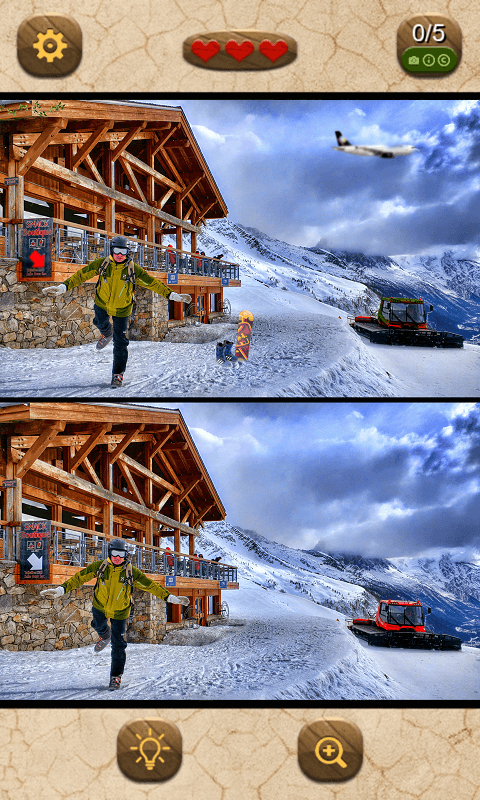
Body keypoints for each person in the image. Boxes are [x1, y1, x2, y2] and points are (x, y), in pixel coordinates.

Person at [42, 235, 191, 388]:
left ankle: (117, 374)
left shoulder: (132, 269)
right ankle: (107, 333)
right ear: (111, 250)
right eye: (116, 251)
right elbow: (82, 274)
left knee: (120, 343)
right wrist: (63, 287)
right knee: (99, 322)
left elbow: (153, 283)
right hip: (102, 303)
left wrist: (172, 295)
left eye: (123, 251)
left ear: (128, 253)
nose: (119, 255)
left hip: (122, 309)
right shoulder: (103, 264)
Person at [40, 537, 189, 690]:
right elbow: (80, 577)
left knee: (118, 645)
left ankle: (115, 677)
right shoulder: (101, 566)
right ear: (109, 553)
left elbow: (151, 585)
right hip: (100, 606)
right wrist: (61, 589)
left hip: (120, 612)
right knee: (97, 624)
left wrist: (171, 598)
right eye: (114, 553)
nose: (117, 557)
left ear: (126, 555)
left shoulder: (131, 572)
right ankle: (105, 636)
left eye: (121, 554)